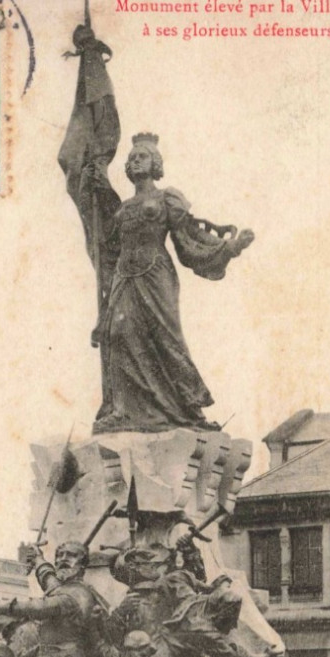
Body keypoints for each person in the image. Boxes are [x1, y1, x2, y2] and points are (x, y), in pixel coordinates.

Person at [85, 133, 254, 433]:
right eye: (132, 157)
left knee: (166, 338)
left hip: (156, 273)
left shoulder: (166, 198)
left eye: (142, 156)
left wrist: (228, 247)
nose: (135, 161)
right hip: (125, 276)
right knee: (119, 334)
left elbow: (188, 236)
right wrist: (93, 188)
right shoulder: (122, 208)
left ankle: (191, 409)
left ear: (155, 164)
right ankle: (123, 410)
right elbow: (109, 249)